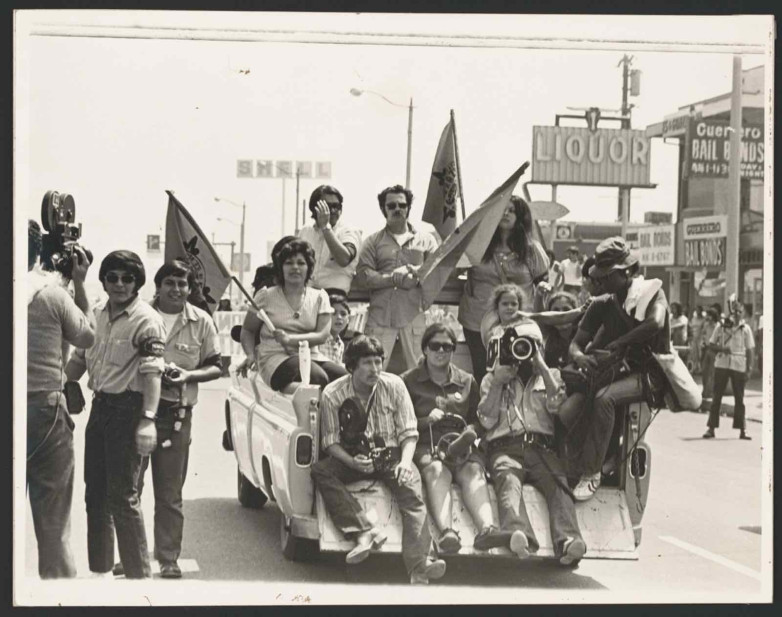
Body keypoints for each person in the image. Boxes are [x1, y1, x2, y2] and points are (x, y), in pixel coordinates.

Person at [310, 335, 446, 584]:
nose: (375, 369)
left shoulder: (394, 385)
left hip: (391, 455)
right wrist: (351, 462)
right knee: (321, 471)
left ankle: (420, 565)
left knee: (412, 494)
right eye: (367, 363)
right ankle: (363, 531)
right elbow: (330, 442)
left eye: (378, 361)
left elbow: (409, 433)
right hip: (354, 455)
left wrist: (405, 463)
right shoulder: (333, 393)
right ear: (352, 366)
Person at [65, 250, 166, 578]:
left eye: (127, 278)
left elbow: (153, 375)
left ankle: (139, 581)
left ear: (137, 282)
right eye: (112, 277)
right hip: (100, 409)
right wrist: (67, 382)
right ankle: (100, 572)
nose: (119, 284)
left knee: (123, 497)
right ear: (104, 281)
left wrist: (148, 419)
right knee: (94, 494)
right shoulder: (95, 313)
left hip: (129, 411)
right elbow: (79, 359)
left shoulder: (147, 320)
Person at [130, 260, 222, 579]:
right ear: (158, 286)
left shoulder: (202, 321)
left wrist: (188, 375)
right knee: (131, 488)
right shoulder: (139, 315)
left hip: (176, 415)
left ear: (190, 288)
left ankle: (168, 557)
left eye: (183, 283)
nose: (176, 289)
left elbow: (216, 365)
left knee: (170, 493)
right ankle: (131, 554)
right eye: (170, 282)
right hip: (137, 410)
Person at [559, 237, 669, 502]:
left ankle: (591, 472)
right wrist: (579, 357)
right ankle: (571, 465)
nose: (601, 281)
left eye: (607, 276)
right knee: (566, 413)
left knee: (604, 399)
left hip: (646, 373)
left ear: (627, 272)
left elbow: (655, 323)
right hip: (609, 371)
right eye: (600, 276)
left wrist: (620, 343)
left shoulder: (652, 293)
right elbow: (576, 344)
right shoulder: (601, 303)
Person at [476, 318, 586, 565]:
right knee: (508, 481)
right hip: (504, 447)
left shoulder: (552, 376)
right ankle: (518, 534)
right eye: (521, 345)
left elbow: (557, 406)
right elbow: (486, 420)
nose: (524, 352)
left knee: (559, 484)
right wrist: (498, 381)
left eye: (532, 345)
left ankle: (569, 541)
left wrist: (542, 367)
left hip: (541, 448)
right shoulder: (493, 378)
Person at [26, 220, 95, 578]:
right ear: (36, 252)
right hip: (43, 409)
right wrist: (78, 283)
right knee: (53, 529)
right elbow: (88, 336)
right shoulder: (51, 296)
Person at [401, 323, 500, 554]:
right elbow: (400, 424)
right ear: (425, 349)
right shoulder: (407, 381)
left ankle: (487, 530)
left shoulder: (467, 381)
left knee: (473, 470)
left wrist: (471, 432)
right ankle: (447, 531)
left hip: (461, 445)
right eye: (435, 345)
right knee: (437, 470)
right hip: (426, 444)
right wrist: (425, 420)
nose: (441, 351)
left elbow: (478, 419)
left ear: (454, 350)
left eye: (447, 346)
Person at [457, 196, 549, 384]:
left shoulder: (531, 249)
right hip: (478, 321)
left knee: (520, 375)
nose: (505, 214)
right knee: (484, 374)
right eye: (502, 210)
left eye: (511, 210)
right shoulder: (477, 245)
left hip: (518, 323)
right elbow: (454, 269)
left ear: (521, 216)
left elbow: (542, 281)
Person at [238, 238, 347, 393]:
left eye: (301, 263)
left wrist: (290, 339)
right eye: (288, 263)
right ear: (280, 268)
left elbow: (322, 335)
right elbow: (248, 330)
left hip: (312, 356)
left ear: (309, 268)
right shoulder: (265, 296)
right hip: (274, 357)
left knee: (347, 380)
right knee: (318, 378)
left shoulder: (320, 297)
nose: (295, 267)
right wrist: (250, 355)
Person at [355, 185, 439, 371]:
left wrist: (414, 271)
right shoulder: (372, 241)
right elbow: (363, 276)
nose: (397, 209)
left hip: (413, 317)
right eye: (391, 206)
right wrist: (392, 278)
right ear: (383, 209)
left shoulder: (426, 240)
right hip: (381, 317)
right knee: (371, 370)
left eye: (402, 205)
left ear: (408, 207)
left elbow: (436, 271)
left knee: (420, 372)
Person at [703, 301, 755, 440]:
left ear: (742, 313)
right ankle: (711, 428)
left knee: (739, 398)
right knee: (716, 397)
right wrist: (722, 349)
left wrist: (749, 369)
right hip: (722, 364)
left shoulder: (745, 329)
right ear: (730, 313)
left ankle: (742, 430)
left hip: (738, 366)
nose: (737, 314)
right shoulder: (721, 326)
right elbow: (711, 345)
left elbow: (750, 350)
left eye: (739, 312)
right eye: (734, 312)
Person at [298, 185, 362, 295]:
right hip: (306, 293)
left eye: (336, 206)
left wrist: (326, 228)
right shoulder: (305, 231)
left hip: (333, 294)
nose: (332, 210)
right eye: (327, 206)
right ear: (314, 208)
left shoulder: (348, 231)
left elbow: (344, 259)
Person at [320, 291, 351, 366]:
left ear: (348, 319)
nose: (339, 317)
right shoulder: (319, 340)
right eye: (333, 313)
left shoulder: (340, 344)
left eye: (343, 314)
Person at [699, 307, 720, 410]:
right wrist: (702, 342)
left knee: (712, 372)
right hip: (706, 349)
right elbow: (703, 335)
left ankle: (710, 392)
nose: (708, 317)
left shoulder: (718, 326)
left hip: (714, 350)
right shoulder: (706, 325)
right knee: (704, 371)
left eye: (710, 315)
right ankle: (705, 390)